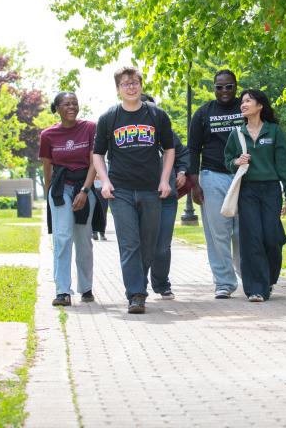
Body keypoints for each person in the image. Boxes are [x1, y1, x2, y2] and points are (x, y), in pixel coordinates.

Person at [94, 67, 175, 314]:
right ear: (118, 88)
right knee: (130, 244)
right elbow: (98, 154)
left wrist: (164, 180)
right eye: (125, 83)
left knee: (148, 245)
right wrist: (105, 181)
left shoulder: (157, 115)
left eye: (135, 82)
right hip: (121, 191)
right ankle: (136, 294)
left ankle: (139, 283)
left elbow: (169, 149)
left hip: (151, 190)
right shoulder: (109, 118)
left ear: (141, 85)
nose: (131, 87)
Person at [223, 89, 286, 302]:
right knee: (251, 238)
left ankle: (269, 280)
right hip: (248, 191)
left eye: (248, 101)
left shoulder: (274, 131)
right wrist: (237, 162)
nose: (243, 104)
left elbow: (283, 164)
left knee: (271, 238)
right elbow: (227, 160)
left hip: (271, 190)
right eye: (242, 102)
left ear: (260, 105)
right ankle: (255, 289)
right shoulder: (237, 133)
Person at [187, 69, 246, 298]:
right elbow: (193, 149)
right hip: (213, 176)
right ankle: (224, 282)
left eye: (229, 86)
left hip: (244, 175)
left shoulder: (246, 107)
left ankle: (249, 275)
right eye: (219, 87)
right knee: (218, 233)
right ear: (214, 88)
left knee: (244, 231)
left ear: (236, 86)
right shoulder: (204, 113)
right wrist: (195, 184)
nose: (224, 91)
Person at [40, 91, 100, 307]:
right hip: (61, 190)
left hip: (84, 186)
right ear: (57, 108)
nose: (72, 107)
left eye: (75, 103)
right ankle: (63, 290)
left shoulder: (90, 128)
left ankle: (86, 288)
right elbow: (48, 167)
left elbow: (95, 162)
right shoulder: (47, 135)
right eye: (66, 104)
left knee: (83, 240)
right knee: (62, 238)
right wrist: (50, 196)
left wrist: (85, 190)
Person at [140, 94, 190, 300]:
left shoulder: (166, 132)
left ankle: (161, 283)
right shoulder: (131, 133)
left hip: (166, 198)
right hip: (140, 196)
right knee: (142, 244)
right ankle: (138, 284)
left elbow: (183, 153)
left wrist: (182, 171)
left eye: (154, 109)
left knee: (162, 246)